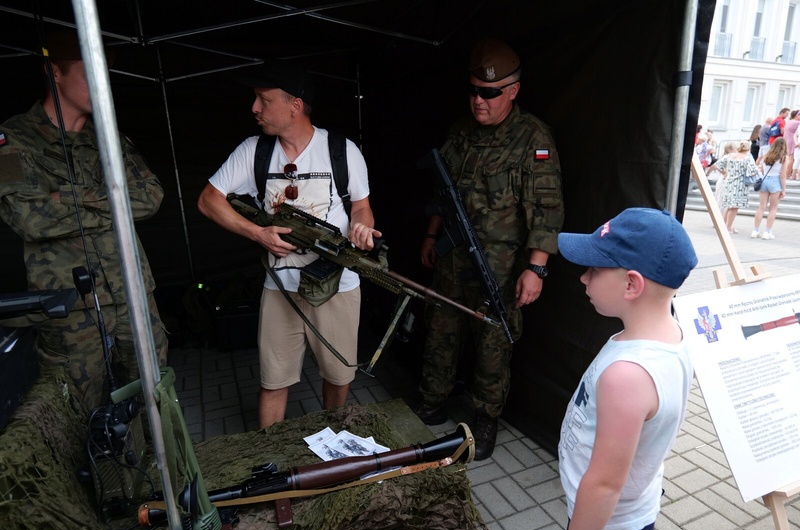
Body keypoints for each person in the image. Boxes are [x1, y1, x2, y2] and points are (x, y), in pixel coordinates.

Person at [197, 59, 381, 428]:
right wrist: (257, 233)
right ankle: (269, 454)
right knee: (273, 381)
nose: (255, 108)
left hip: (336, 285)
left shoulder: (341, 150)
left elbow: (362, 206)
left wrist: (362, 228)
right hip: (280, 286)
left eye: (264, 100)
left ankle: (333, 440)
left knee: (338, 377)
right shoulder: (254, 151)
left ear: (294, 105)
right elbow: (208, 200)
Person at [0, 31, 168, 413]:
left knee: (154, 403)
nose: (100, 83)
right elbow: (29, 219)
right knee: (77, 415)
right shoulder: (14, 140)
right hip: (71, 310)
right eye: (88, 72)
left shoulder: (108, 138)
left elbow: (151, 196)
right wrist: (114, 199)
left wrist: (67, 197)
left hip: (132, 295)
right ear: (54, 72)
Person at [412, 38, 564, 460]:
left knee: (493, 340)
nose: (479, 100)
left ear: (513, 90)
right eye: (474, 90)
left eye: (490, 93)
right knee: (440, 329)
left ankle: (485, 415)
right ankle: (432, 400)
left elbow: (547, 210)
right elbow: (443, 191)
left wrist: (536, 268)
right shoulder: (460, 131)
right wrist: (431, 236)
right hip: (451, 257)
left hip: (498, 264)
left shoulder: (533, 137)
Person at [557, 207, 697, 530]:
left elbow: (604, 485)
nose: (583, 277)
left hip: (606, 524)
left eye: (594, 269)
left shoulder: (627, 375)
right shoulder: (672, 336)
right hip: (631, 510)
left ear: (632, 284)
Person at [716, 140, 758, 234]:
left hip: (728, 182)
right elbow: (752, 172)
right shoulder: (747, 158)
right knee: (734, 207)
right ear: (748, 149)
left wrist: (724, 173)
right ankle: (728, 227)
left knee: (728, 205)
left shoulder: (729, 156)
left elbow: (718, 165)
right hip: (740, 185)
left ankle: (723, 226)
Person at [752, 137, 788, 240]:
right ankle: (767, 232)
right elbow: (783, 175)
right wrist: (783, 189)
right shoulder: (783, 158)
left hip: (764, 180)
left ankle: (755, 230)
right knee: (773, 208)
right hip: (775, 181)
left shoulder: (766, 155)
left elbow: (762, 170)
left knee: (761, 207)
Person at [783, 109, 799, 176]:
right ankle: (787, 174)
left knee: (788, 158)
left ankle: (786, 173)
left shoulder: (789, 121)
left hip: (786, 140)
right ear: (797, 115)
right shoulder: (796, 123)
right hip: (792, 141)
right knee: (791, 159)